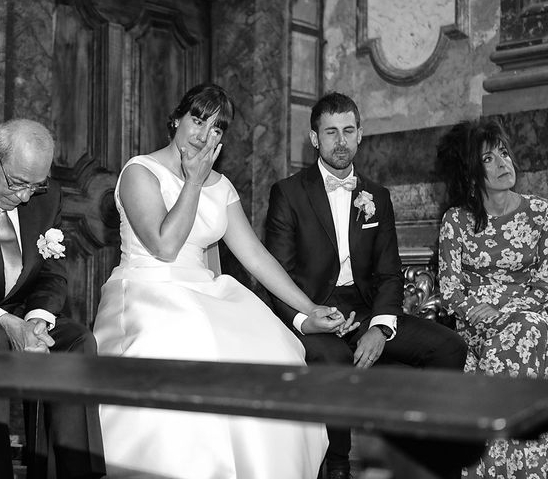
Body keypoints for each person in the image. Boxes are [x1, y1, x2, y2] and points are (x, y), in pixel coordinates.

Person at [93, 83, 348, 479]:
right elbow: (164, 246)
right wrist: (193, 181)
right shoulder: (140, 171)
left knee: (273, 352)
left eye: (216, 129)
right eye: (197, 121)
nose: (203, 135)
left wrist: (310, 307)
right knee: (195, 340)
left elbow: (257, 259)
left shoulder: (222, 186)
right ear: (176, 119)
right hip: (148, 288)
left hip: (203, 290)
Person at [264, 91, 468, 479]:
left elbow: (390, 273)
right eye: (330, 132)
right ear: (314, 139)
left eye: (348, 131)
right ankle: (338, 466)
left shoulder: (378, 196)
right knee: (335, 359)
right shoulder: (288, 193)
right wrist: (309, 318)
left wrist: (379, 326)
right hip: (312, 309)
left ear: (360, 134)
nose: (340, 141)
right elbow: (278, 275)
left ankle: (435, 465)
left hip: (367, 309)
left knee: (449, 346)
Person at [0, 119, 106, 479]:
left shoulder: (49, 196)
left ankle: (72, 473)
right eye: (18, 184)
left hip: (15, 313)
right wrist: (3, 320)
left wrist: (37, 319)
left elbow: (53, 271)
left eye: (36, 185)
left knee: (76, 341)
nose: (28, 197)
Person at [437, 118, 548, 478]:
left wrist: (508, 309)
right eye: (489, 159)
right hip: (477, 322)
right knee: (516, 337)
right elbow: (451, 289)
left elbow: (546, 282)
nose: (504, 164)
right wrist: (479, 311)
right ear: (471, 172)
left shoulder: (540, 214)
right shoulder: (456, 221)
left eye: (504, 153)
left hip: (533, 313)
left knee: (525, 331)